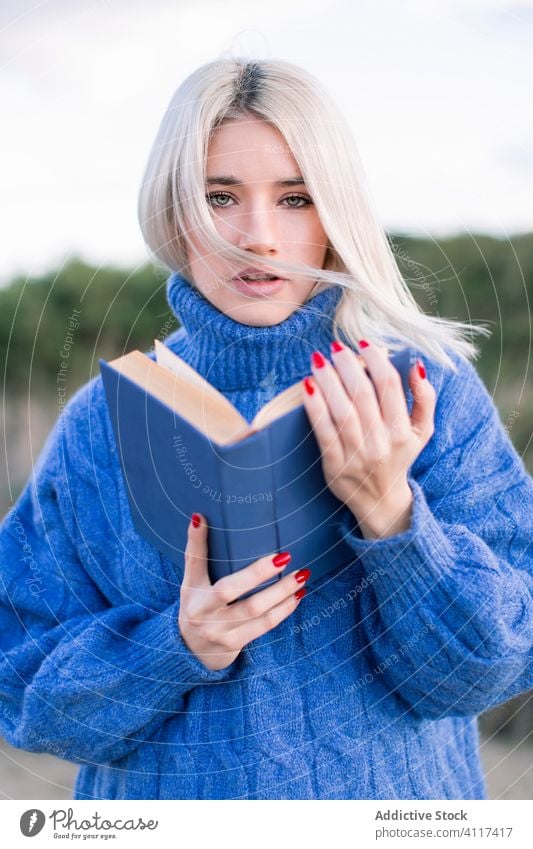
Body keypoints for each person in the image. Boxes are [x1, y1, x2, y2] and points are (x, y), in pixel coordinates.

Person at [0, 58, 531, 801]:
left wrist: (392, 516)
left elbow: (491, 667)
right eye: (220, 196)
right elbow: (23, 692)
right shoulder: (100, 421)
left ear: (335, 212)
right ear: (175, 208)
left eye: (295, 198)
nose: (258, 236)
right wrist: (175, 647)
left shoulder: (426, 391)